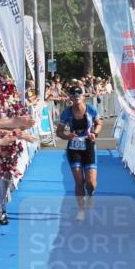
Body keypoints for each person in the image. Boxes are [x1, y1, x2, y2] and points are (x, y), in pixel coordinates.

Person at [56, 86, 102, 221]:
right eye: (73, 94)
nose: (76, 96)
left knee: (91, 183)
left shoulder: (91, 109)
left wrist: (95, 133)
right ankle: (81, 210)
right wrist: (67, 136)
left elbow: (99, 123)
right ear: (70, 97)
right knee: (79, 181)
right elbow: (59, 131)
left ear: (83, 96)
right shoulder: (67, 113)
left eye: (79, 94)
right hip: (74, 148)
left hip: (89, 146)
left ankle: (91, 194)